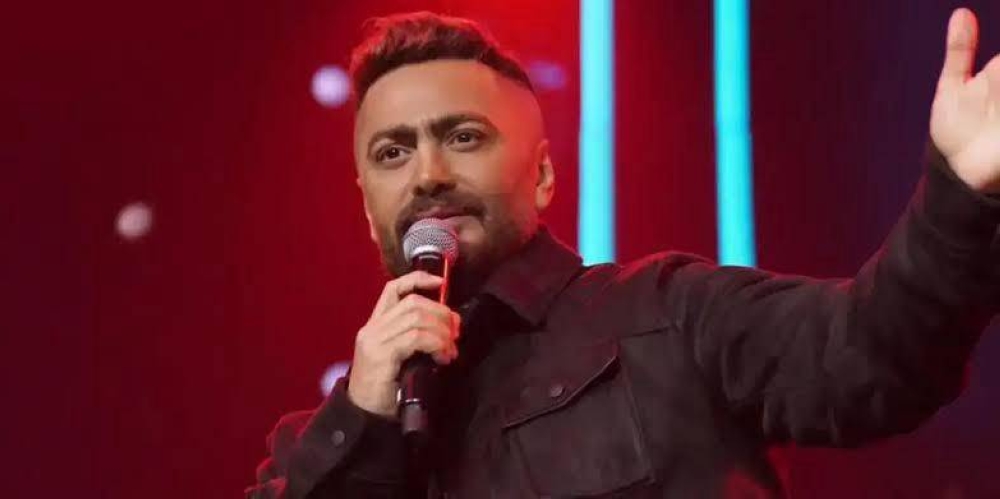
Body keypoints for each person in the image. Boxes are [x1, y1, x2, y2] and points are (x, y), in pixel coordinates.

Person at [245, 9, 1000, 499]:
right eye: (393, 152)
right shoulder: (310, 448)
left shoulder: (671, 314)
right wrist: (361, 420)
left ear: (543, 175)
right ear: (365, 202)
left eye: (464, 136)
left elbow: (871, 356)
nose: (428, 173)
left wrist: (959, 193)